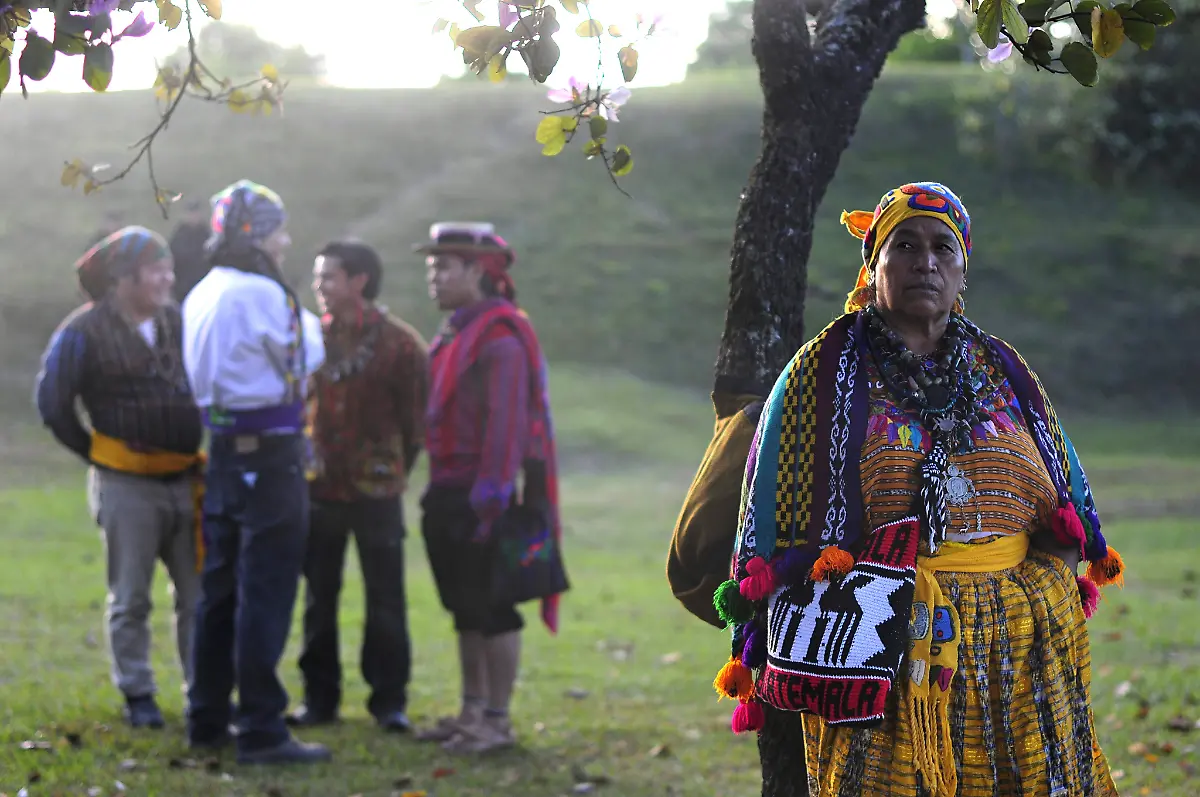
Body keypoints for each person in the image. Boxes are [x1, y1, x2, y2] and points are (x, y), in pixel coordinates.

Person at [692, 182, 1125, 796]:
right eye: (906, 245)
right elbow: (778, 513)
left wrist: (1043, 589)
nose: (927, 262)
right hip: (882, 648)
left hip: (1017, 646)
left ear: (963, 271)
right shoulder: (821, 373)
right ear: (874, 265)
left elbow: (1062, 496)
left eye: (944, 249)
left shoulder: (1003, 368)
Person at [181, 180, 330, 765]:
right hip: (269, 453)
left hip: (220, 449)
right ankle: (263, 728)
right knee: (264, 590)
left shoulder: (201, 291)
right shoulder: (265, 295)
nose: (285, 242)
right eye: (279, 231)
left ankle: (208, 715)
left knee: (218, 588)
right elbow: (301, 360)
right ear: (261, 235)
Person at [34, 226, 204, 729]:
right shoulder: (81, 332)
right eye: (157, 270)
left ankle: (203, 693)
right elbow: (53, 404)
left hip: (186, 480)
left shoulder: (179, 321)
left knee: (198, 596)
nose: (167, 278)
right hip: (125, 484)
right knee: (131, 596)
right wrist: (100, 456)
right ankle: (139, 693)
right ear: (123, 278)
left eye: (167, 268)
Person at [413, 222, 563, 755]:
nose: (433, 277)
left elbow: (506, 426)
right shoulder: (458, 330)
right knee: (465, 608)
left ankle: (496, 721)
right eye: (431, 267)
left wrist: (491, 502)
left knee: (493, 608)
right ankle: (471, 711)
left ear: (477, 272)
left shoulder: (499, 337)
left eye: (444, 267)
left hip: (482, 496)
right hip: (449, 491)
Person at [287, 240, 429, 732]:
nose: (319, 288)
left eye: (328, 277)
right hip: (319, 490)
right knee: (318, 598)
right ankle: (318, 699)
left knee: (386, 598)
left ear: (359, 281)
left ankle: (390, 702)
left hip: (378, 494)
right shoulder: (306, 338)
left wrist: (388, 468)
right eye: (318, 278)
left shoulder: (401, 344)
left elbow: (416, 425)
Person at [169, 198, 213, 303]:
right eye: (191, 213)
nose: (194, 216)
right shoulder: (179, 236)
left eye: (196, 212)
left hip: (204, 287)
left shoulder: (207, 234)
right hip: (182, 289)